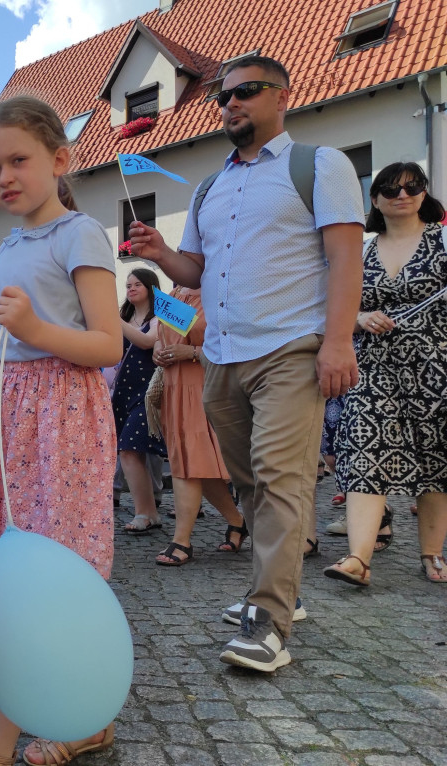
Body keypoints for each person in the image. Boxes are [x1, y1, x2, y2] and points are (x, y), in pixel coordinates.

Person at [129, 55, 364, 672]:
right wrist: (159, 254)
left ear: (282, 96)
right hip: (222, 358)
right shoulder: (210, 187)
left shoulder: (319, 165)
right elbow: (195, 273)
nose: (230, 104)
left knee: (280, 477)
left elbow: (345, 260)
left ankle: (268, 619)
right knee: (250, 483)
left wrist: (338, 342)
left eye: (246, 92)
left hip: (290, 348)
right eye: (223, 97)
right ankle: (281, 591)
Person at [0, 95, 122, 766]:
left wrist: (34, 330)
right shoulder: (14, 244)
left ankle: (31, 734)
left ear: (60, 158)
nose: (4, 178)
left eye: (17, 160)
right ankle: (70, 716)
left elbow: (107, 344)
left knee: (58, 573)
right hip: (13, 415)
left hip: (64, 416)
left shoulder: (78, 233)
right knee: (18, 569)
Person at [325, 162, 447, 586]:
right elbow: (333, 304)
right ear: (374, 199)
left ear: (425, 193)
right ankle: (358, 558)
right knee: (364, 453)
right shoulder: (360, 250)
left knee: (436, 460)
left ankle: (431, 553)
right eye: (390, 189)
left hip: (436, 366)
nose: (402, 194)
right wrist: (358, 318)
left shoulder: (444, 241)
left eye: (413, 186)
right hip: (372, 367)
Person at [150, 286, 246, 565]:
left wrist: (191, 351)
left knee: (189, 461)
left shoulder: (222, 287)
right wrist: (159, 349)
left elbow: (237, 341)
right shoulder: (177, 291)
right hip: (175, 383)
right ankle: (237, 521)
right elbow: (161, 335)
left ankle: (181, 541)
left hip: (206, 382)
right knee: (196, 463)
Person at [113, 268, 167, 534]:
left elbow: (147, 341)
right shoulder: (125, 316)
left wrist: (114, 320)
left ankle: (143, 513)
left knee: (129, 450)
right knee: (131, 452)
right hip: (122, 391)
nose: (131, 288)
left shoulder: (159, 317)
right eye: (128, 285)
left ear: (151, 287)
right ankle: (150, 513)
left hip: (147, 393)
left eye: (137, 284)